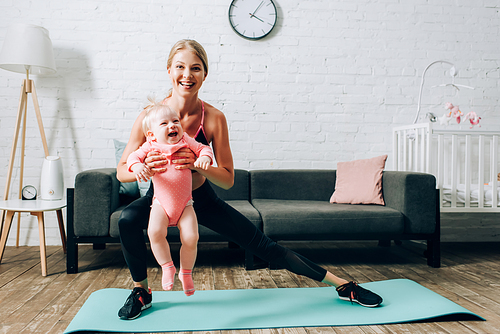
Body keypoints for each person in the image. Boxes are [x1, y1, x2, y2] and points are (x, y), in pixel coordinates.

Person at [116, 39, 383, 320]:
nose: (187, 75)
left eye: (196, 68)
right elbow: (122, 168)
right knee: (128, 219)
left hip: (201, 201)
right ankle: (141, 291)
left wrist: (198, 165)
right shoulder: (149, 117)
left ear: (204, 74)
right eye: (180, 67)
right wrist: (141, 167)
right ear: (169, 70)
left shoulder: (214, 118)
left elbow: (228, 179)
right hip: (159, 198)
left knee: (266, 248)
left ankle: (343, 285)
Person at [127, 98, 213, 297]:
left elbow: (204, 148)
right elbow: (133, 157)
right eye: (164, 123)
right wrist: (138, 166)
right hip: (160, 204)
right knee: (154, 233)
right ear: (151, 134)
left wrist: (205, 157)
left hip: (185, 205)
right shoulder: (151, 146)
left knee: (192, 237)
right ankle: (167, 267)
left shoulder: (186, 141)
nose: (172, 126)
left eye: (175, 121)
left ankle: (186, 272)